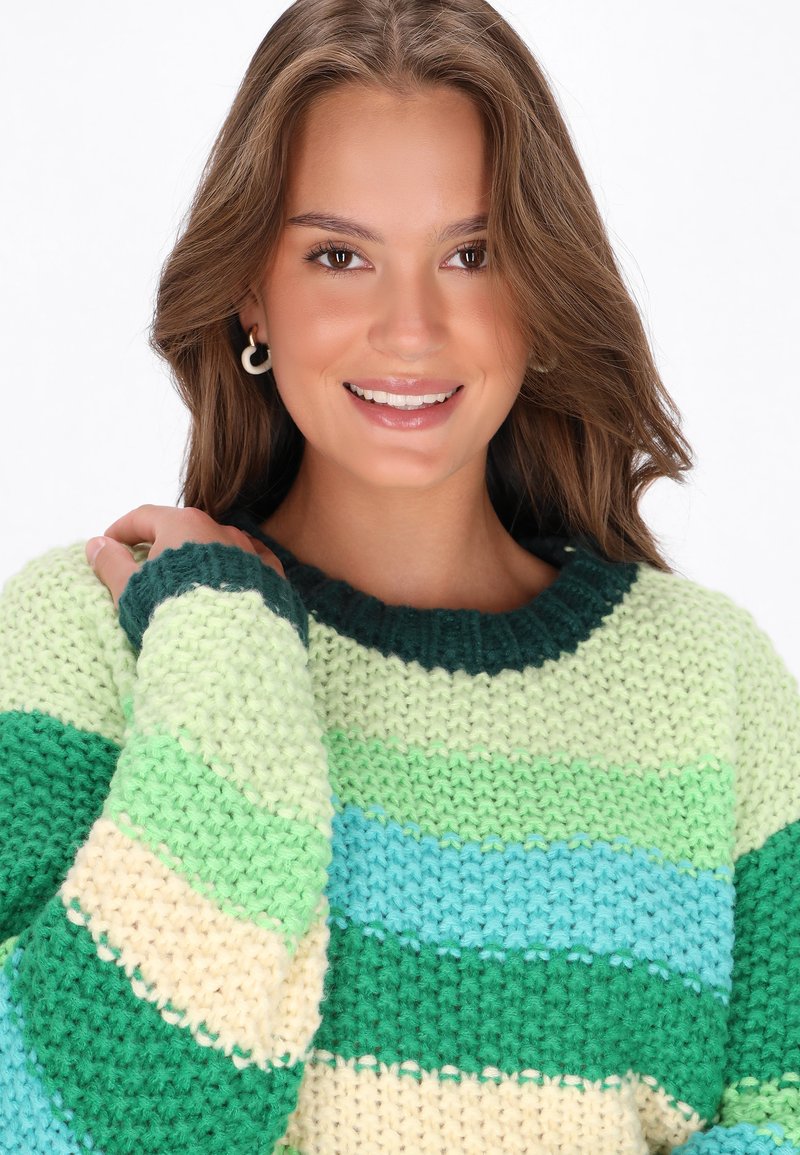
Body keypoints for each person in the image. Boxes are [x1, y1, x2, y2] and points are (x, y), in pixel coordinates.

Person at [1, 0, 797, 1151]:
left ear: (539, 292)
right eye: (338, 256)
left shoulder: (710, 681)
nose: (410, 329)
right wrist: (228, 673)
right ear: (251, 293)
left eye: (470, 256)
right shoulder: (93, 634)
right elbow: (49, 1124)